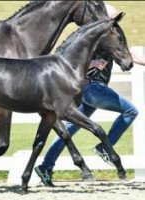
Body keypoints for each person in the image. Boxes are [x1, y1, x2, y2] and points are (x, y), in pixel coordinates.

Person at [34, 50, 139, 187]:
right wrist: (92, 63)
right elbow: (67, 62)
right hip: (93, 89)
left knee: (69, 129)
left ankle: (45, 167)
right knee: (131, 111)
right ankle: (105, 148)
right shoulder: (97, 40)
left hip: (86, 91)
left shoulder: (108, 41)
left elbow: (131, 55)